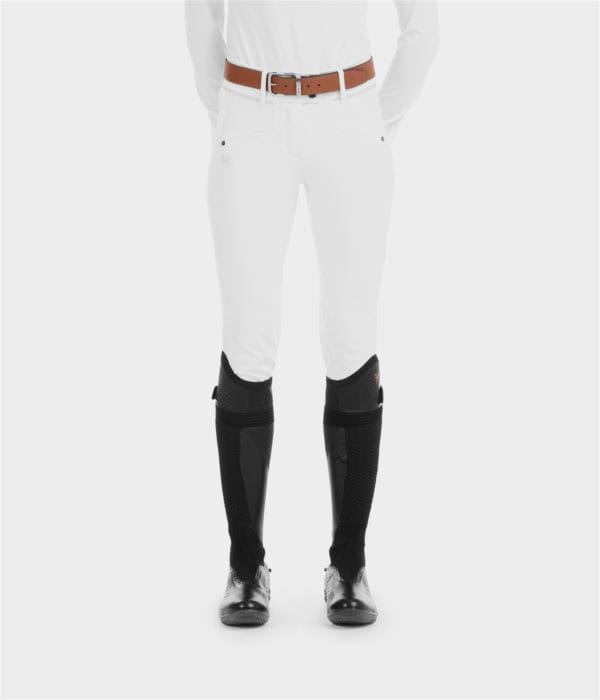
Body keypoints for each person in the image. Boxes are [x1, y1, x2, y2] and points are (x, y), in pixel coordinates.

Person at [185, 0, 439, 626]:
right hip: (251, 110)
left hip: (350, 114)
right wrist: (229, 113)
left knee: (351, 334)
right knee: (247, 335)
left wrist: (372, 121)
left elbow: (422, 28)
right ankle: (246, 567)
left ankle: (349, 565)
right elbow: (201, 16)